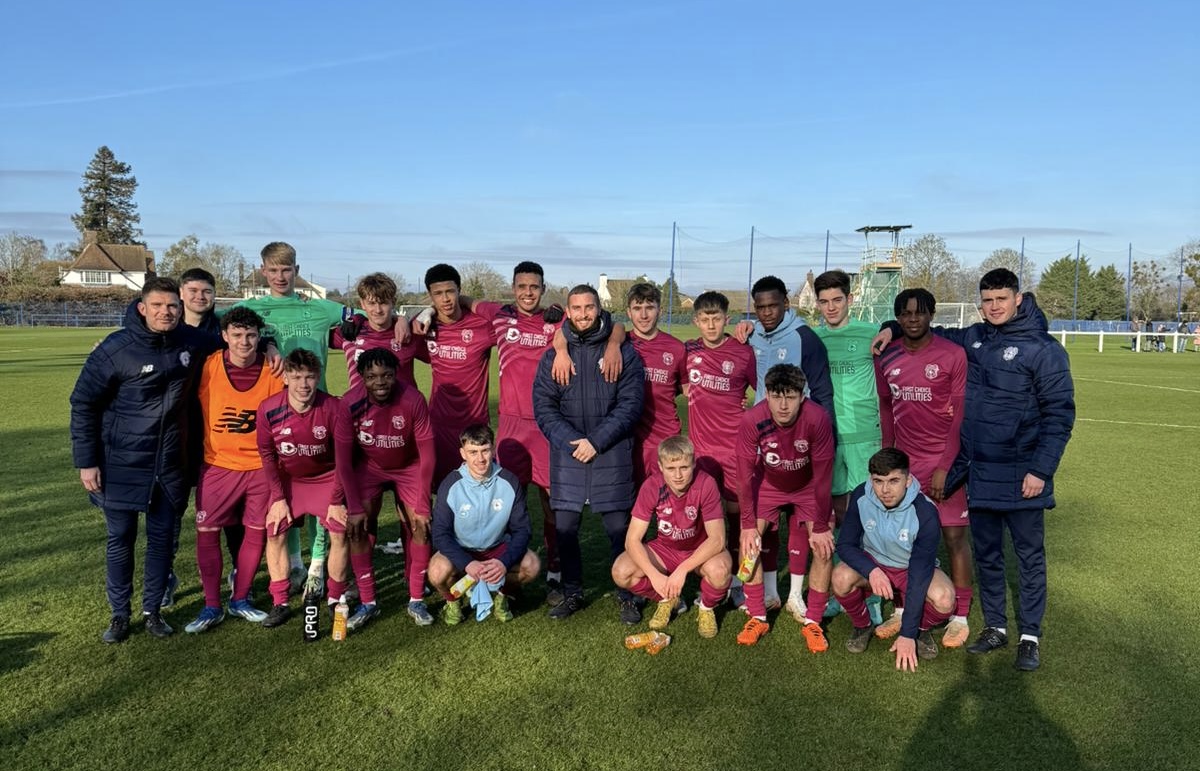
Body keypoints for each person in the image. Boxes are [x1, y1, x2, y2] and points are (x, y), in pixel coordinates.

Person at [874, 268, 1074, 671]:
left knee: (1029, 556)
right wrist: (889, 327)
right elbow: (928, 327)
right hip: (980, 472)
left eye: (1001, 298)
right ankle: (996, 627)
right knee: (988, 554)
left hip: (1023, 474)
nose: (994, 306)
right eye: (987, 300)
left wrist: (1040, 469)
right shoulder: (976, 337)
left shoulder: (1044, 349)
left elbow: (1060, 414)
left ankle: (1030, 635)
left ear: (1019, 298)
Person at [70, 277, 219, 643]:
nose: (166, 312)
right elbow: (83, 404)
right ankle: (120, 614)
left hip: (170, 464)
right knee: (120, 539)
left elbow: (231, 341)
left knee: (162, 539)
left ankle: (152, 611)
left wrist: (268, 346)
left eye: (172, 306)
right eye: (158, 306)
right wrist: (86, 462)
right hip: (120, 463)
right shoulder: (115, 348)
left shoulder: (191, 340)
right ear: (142, 308)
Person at [532, 284, 645, 621]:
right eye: (576, 308)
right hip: (569, 457)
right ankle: (572, 592)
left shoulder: (624, 352)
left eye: (589, 307)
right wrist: (573, 442)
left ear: (599, 308)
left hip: (610, 454)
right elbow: (543, 407)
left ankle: (627, 594)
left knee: (618, 532)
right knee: (565, 530)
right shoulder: (553, 354)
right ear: (568, 312)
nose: (583, 314)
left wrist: (596, 441)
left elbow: (630, 405)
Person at [875, 288, 973, 648]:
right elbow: (887, 407)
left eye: (919, 312)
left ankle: (960, 616)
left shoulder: (953, 355)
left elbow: (960, 416)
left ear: (932, 314)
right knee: (903, 540)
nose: (912, 319)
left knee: (954, 538)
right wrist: (889, 457)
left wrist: (946, 466)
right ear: (897, 318)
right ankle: (902, 609)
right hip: (906, 466)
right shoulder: (887, 355)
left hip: (942, 463)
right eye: (905, 313)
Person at [185, 307, 284, 633]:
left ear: (259, 336)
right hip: (218, 466)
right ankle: (212, 605)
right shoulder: (208, 365)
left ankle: (240, 598)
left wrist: (272, 346)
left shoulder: (273, 369)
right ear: (224, 336)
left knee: (256, 533)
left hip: (260, 468)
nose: (244, 342)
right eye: (237, 335)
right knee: (208, 533)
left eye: (252, 335)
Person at [734, 364, 835, 649]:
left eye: (790, 396)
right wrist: (746, 525)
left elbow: (824, 474)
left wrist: (821, 525)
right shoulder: (753, 418)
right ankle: (757, 615)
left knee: (824, 546)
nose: (783, 404)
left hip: (807, 488)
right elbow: (742, 475)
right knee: (748, 547)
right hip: (767, 485)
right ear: (765, 394)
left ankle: (813, 622)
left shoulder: (817, 418)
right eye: (777, 396)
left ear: (803, 396)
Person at [338, 348, 437, 628]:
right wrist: (354, 507)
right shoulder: (349, 403)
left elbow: (427, 453)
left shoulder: (413, 399)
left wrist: (423, 503)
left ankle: (416, 598)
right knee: (357, 526)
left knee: (421, 523)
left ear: (396, 375)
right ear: (361, 378)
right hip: (369, 467)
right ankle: (368, 601)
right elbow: (344, 461)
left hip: (409, 466)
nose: (379, 382)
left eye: (386, 375)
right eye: (371, 376)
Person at [833, 448, 955, 671]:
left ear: (908, 480)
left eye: (894, 481)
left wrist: (907, 634)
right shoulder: (861, 495)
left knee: (945, 599)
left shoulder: (925, 511)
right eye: (878, 481)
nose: (885, 490)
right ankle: (863, 625)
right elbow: (845, 545)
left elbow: (919, 575)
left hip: (910, 568)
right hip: (875, 562)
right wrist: (872, 570)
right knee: (840, 578)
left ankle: (920, 630)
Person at [810, 269, 884, 624]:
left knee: (869, 514)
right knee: (838, 514)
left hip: (865, 438)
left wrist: (893, 327)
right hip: (827, 437)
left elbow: (907, 336)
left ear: (850, 300)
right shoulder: (812, 338)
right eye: (823, 301)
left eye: (837, 300)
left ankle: (873, 594)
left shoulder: (870, 333)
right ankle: (845, 586)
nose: (830, 307)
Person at [255, 349, 346, 628]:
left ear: (318, 377)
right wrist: (278, 498)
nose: (303, 384)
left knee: (339, 531)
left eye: (309, 377)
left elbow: (344, 459)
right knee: (274, 531)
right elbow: (268, 456)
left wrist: (336, 499)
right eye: (296, 377)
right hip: (290, 481)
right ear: (286, 377)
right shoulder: (269, 408)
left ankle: (335, 598)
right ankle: (280, 601)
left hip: (326, 478)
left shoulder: (333, 407)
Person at [611, 435, 731, 638]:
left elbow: (717, 539)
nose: (678, 475)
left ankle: (706, 607)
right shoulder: (651, 486)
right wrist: (655, 575)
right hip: (666, 549)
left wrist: (683, 570)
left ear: (693, 463)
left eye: (684, 467)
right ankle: (667, 598)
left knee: (720, 572)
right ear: (660, 466)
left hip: (699, 548)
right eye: (671, 469)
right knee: (622, 571)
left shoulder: (706, 483)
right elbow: (632, 540)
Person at [684, 291, 758, 605]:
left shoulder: (743, 351)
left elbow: (765, 392)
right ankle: (716, 580)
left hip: (736, 450)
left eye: (717, 318)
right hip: (701, 452)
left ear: (727, 319)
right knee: (707, 520)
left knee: (741, 518)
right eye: (705, 319)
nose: (711, 325)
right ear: (696, 321)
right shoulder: (687, 351)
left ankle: (743, 583)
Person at [429, 424, 541, 624]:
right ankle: (453, 601)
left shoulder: (509, 481)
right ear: (463, 453)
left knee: (532, 565)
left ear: (493, 449)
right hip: (462, 549)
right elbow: (439, 534)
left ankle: (501, 595)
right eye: (473, 452)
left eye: (485, 451)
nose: (480, 459)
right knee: (437, 572)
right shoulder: (451, 484)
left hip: (496, 548)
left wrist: (503, 562)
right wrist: (467, 563)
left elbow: (522, 530)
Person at [411, 263, 497, 488]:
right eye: (438, 294)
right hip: (438, 425)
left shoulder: (481, 325)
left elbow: (506, 315)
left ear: (460, 291)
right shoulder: (425, 328)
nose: (445, 299)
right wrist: (414, 316)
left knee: (479, 489)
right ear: (430, 296)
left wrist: (470, 302)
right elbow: (400, 330)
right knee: (441, 491)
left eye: (450, 291)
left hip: (475, 425)